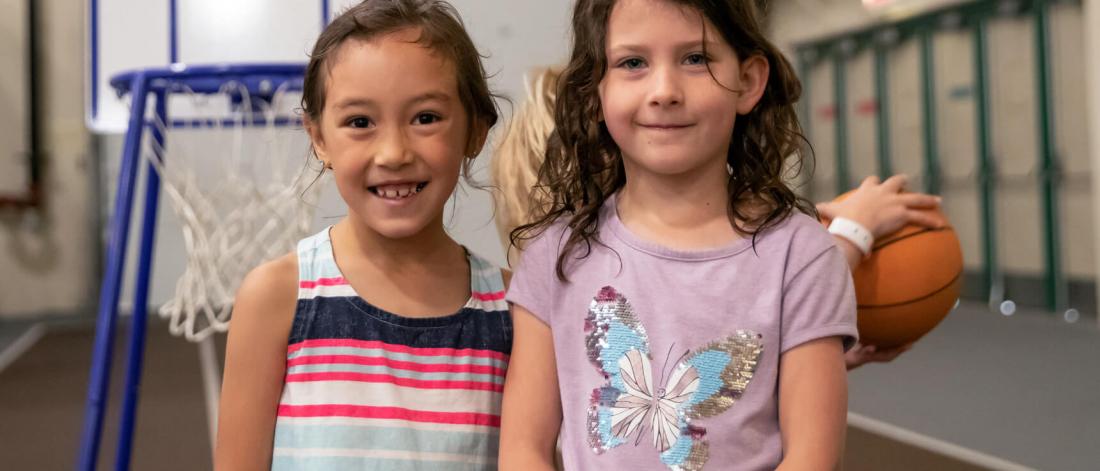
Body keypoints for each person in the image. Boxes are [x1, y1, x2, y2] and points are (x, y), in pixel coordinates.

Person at [500, 0, 866, 468]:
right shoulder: (555, 254)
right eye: (633, 62)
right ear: (594, 93)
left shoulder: (802, 253)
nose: (664, 90)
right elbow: (523, 450)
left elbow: (810, 459)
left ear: (749, 82)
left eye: (695, 59)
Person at [214, 1, 509, 469]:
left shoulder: (513, 309)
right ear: (318, 137)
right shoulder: (278, 297)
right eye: (359, 123)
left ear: (475, 131)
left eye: (426, 117)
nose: (393, 153)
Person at [490, 67, 940, 372]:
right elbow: (724, 318)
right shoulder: (576, 283)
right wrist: (849, 236)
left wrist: (810, 355)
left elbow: (707, 356)